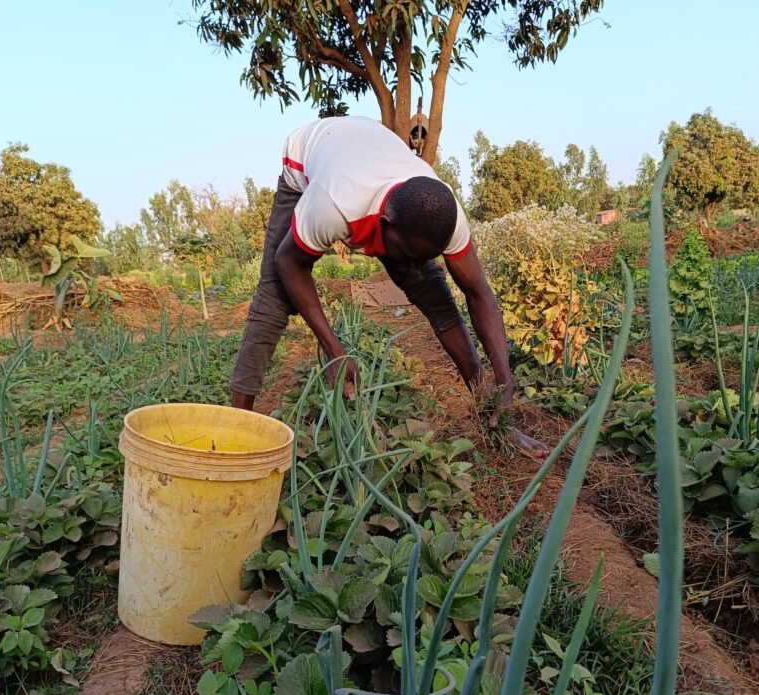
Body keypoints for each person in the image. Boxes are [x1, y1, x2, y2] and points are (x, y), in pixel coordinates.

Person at [229, 116, 548, 458]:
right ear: (384, 226)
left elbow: (478, 292)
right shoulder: (332, 204)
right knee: (274, 298)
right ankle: (235, 429)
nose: (412, 264)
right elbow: (289, 262)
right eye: (409, 255)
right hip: (308, 161)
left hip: (372, 161)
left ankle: (494, 419)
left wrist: (503, 377)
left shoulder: (443, 213)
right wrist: (335, 350)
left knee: (433, 291)